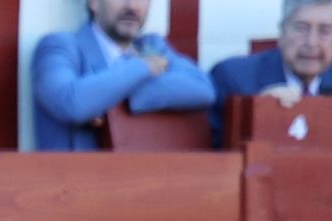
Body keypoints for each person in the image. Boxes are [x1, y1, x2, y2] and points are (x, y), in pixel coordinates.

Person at [32, 0, 215, 151]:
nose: (132, 6)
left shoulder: (151, 46)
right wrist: (143, 66)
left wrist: (110, 99)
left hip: (140, 183)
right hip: (72, 187)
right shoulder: (59, 46)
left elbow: (203, 88)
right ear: (93, 3)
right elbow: (71, 102)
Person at [208, 0, 332, 145]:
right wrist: (259, 110)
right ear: (282, 32)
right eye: (301, 28)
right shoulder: (232, 79)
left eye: (325, 31)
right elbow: (213, 159)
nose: (311, 42)